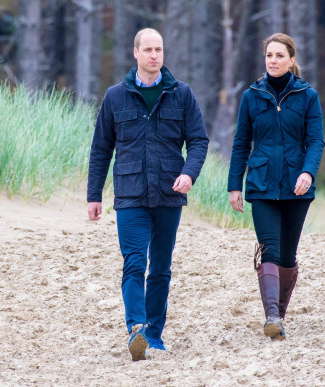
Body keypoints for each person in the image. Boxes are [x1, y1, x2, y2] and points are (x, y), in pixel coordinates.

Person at [87, 28, 209, 361]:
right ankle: (136, 328)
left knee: (161, 268)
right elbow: (101, 149)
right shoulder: (115, 96)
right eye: (148, 50)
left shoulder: (182, 94)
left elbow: (199, 141)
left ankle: (154, 335)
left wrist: (189, 173)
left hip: (170, 193)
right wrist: (93, 195)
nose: (154, 55)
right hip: (129, 195)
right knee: (134, 263)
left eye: (159, 50)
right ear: (135, 53)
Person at [227, 33, 324, 340]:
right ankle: (271, 316)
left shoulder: (308, 96)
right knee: (269, 248)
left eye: (280, 55)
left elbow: (316, 141)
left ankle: (278, 315)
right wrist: (235, 185)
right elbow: (241, 143)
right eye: (269, 55)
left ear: (291, 60)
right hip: (262, 183)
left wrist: (308, 172)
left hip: (297, 186)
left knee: (287, 256)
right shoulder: (251, 96)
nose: (273, 61)